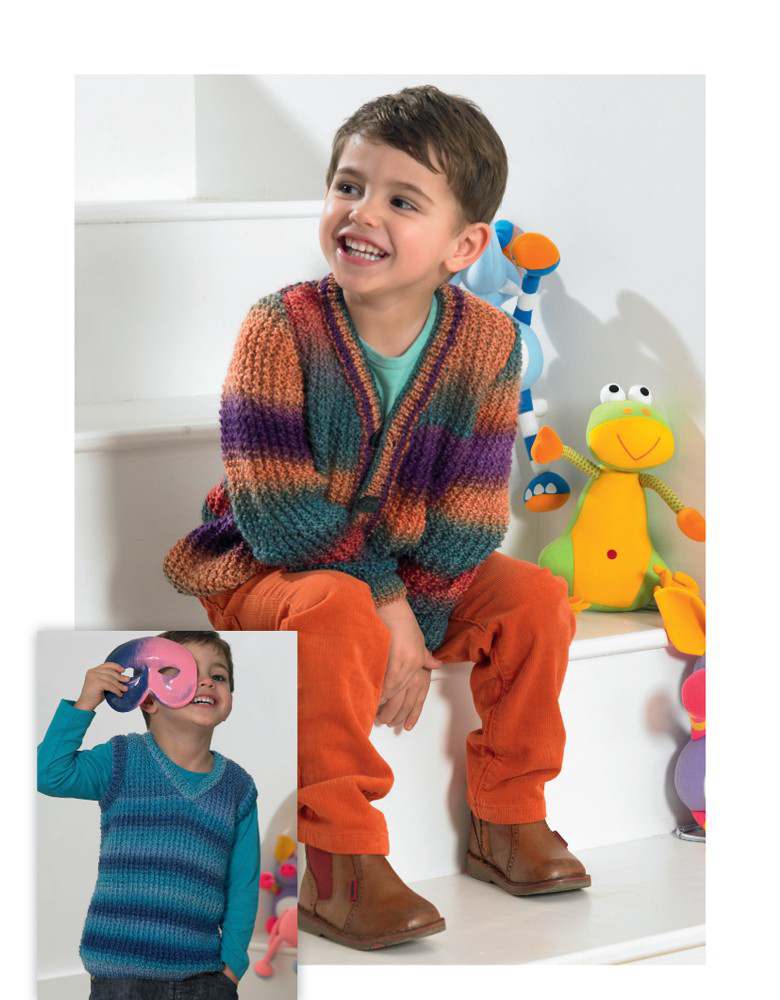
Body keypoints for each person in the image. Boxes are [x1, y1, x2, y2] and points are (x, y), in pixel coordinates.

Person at [164, 84, 589, 952]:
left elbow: (470, 517)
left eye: (402, 201)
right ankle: (337, 857)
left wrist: (409, 627)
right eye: (349, 187)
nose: (363, 213)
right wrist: (385, 609)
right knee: (339, 607)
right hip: (267, 571)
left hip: (408, 576)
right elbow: (279, 515)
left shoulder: (488, 344)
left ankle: (509, 814)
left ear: (464, 245)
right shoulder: (279, 328)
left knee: (537, 600)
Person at [37, 631, 259, 996]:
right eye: (184, 672)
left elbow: (243, 884)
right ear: (149, 699)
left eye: (218, 675)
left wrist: (231, 968)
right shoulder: (121, 760)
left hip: (203, 981)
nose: (206, 681)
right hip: (119, 979)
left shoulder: (238, 787)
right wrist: (85, 703)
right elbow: (49, 774)